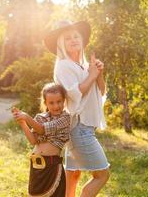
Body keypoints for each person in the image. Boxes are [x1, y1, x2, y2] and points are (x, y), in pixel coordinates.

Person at [44, 20, 110, 197]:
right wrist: (92, 75)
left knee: (73, 175)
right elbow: (75, 93)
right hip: (79, 128)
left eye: (76, 36)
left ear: (82, 40)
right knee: (102, 175)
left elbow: (101, 91)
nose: (73, 40)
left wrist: (99, 74)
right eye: (67, 38)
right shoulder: (63, 65)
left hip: (82, 127)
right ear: (61, 44)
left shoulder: (85, 65)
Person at [12, 82, 70, 197]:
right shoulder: (40, 117)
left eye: (59, 101)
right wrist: (23, 123)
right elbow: (33, 141)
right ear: (46, 103)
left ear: (64, 100)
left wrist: (27, 117)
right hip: (36, 165)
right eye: (51, 103)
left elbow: (42, 130)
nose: (56, 106)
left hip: (51, 166)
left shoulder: (65, 118)